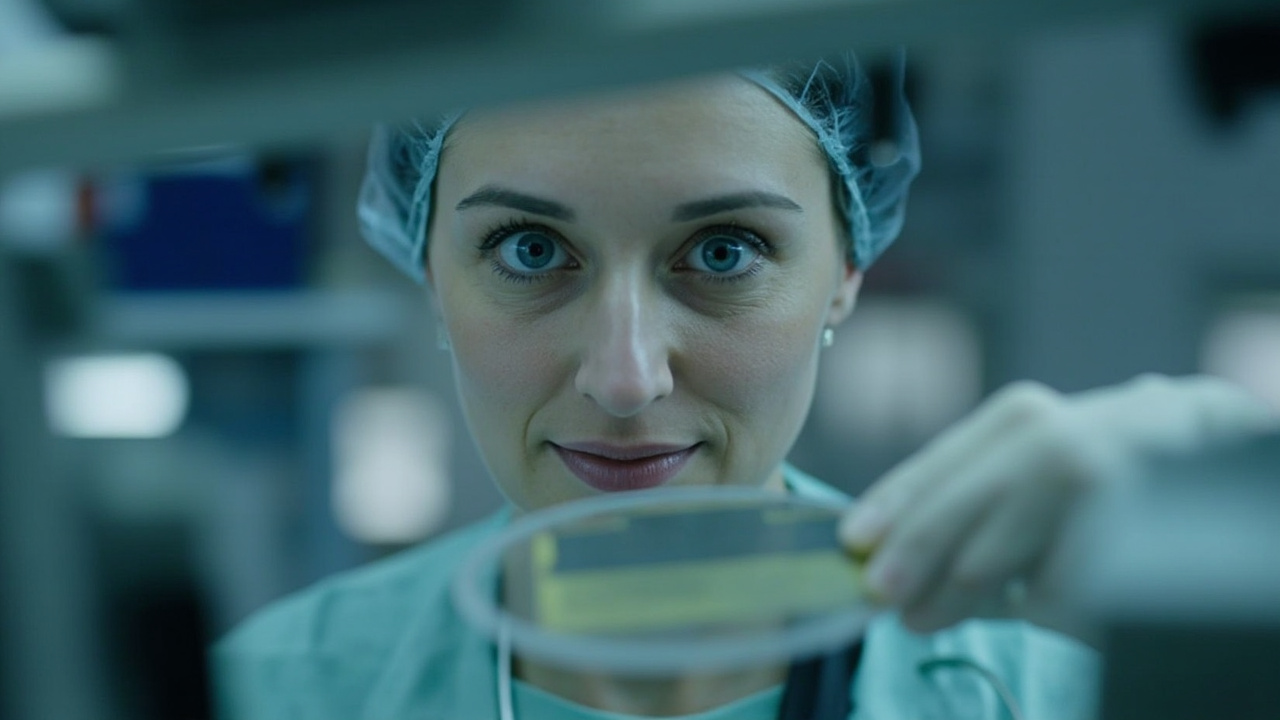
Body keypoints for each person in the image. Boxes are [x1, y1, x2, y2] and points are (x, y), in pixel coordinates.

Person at [214, 53, 1277, 719]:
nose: (625, 379)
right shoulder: (276, 691)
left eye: (722, 252)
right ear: (429, 278)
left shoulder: (1053, 689)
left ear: (846, 270)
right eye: (529, 252)